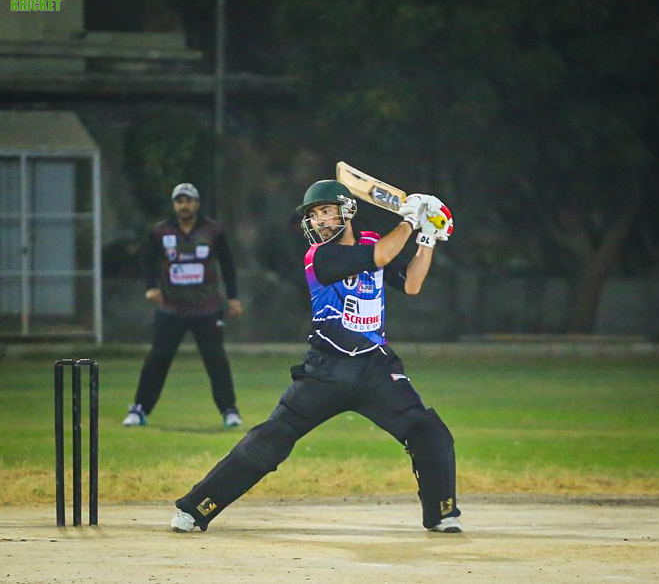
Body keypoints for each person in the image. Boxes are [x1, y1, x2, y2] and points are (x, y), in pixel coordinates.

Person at [169, 179, 461, 533]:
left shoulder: (371, 241)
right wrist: (410, 220)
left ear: (347, 211)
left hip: (376, 367)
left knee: (429, 432)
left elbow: (412, 284)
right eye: (313, 215)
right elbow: (381, 256)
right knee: (271, 440)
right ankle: (194, 509)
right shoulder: (319, 257)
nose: (319, 220)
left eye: (325, 211)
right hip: (326, 370)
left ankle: (442, 513)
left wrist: (427, 237)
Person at [122, 182, 244, 429]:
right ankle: (139, 409)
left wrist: (233, 297)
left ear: (197, 204)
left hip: (207, 308)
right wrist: (151, 287)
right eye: (179, 201)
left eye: (188, 201)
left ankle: (229, 411)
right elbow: (147, 260)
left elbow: (227, 264)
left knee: (216, 360)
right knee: (158, 358)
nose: (184, 206)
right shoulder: (161, 231)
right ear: (174, 204)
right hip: (171, 308)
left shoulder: (213, 230)